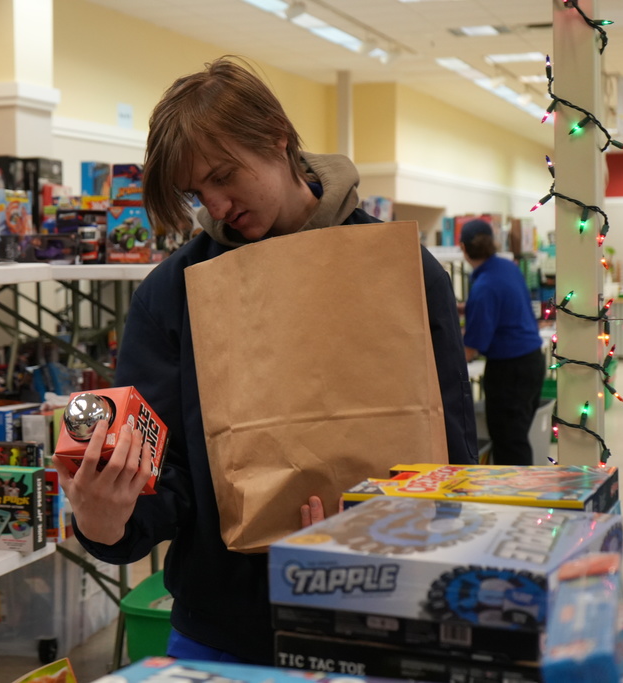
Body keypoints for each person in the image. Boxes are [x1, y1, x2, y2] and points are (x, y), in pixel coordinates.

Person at [51, 56, 477, 666]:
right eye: (197, 193)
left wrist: (377, 525)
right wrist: (105, 520)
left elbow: (453, 455)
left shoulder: (402, 272)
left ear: (277, 138)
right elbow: (162, 479)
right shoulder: (173, 294)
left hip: (385, 612)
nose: (217, 206)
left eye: (225, 176)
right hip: (227, 631)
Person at [459, 218, 546, 466]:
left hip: (509, 372)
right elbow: (505, 305)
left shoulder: (483, 287)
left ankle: (516, 500)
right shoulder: (508, 268)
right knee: (517, 438)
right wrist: (465, 308)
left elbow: (470, 349)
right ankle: (522, 498)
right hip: (532, 363)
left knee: (509, 444)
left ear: (463, 248)